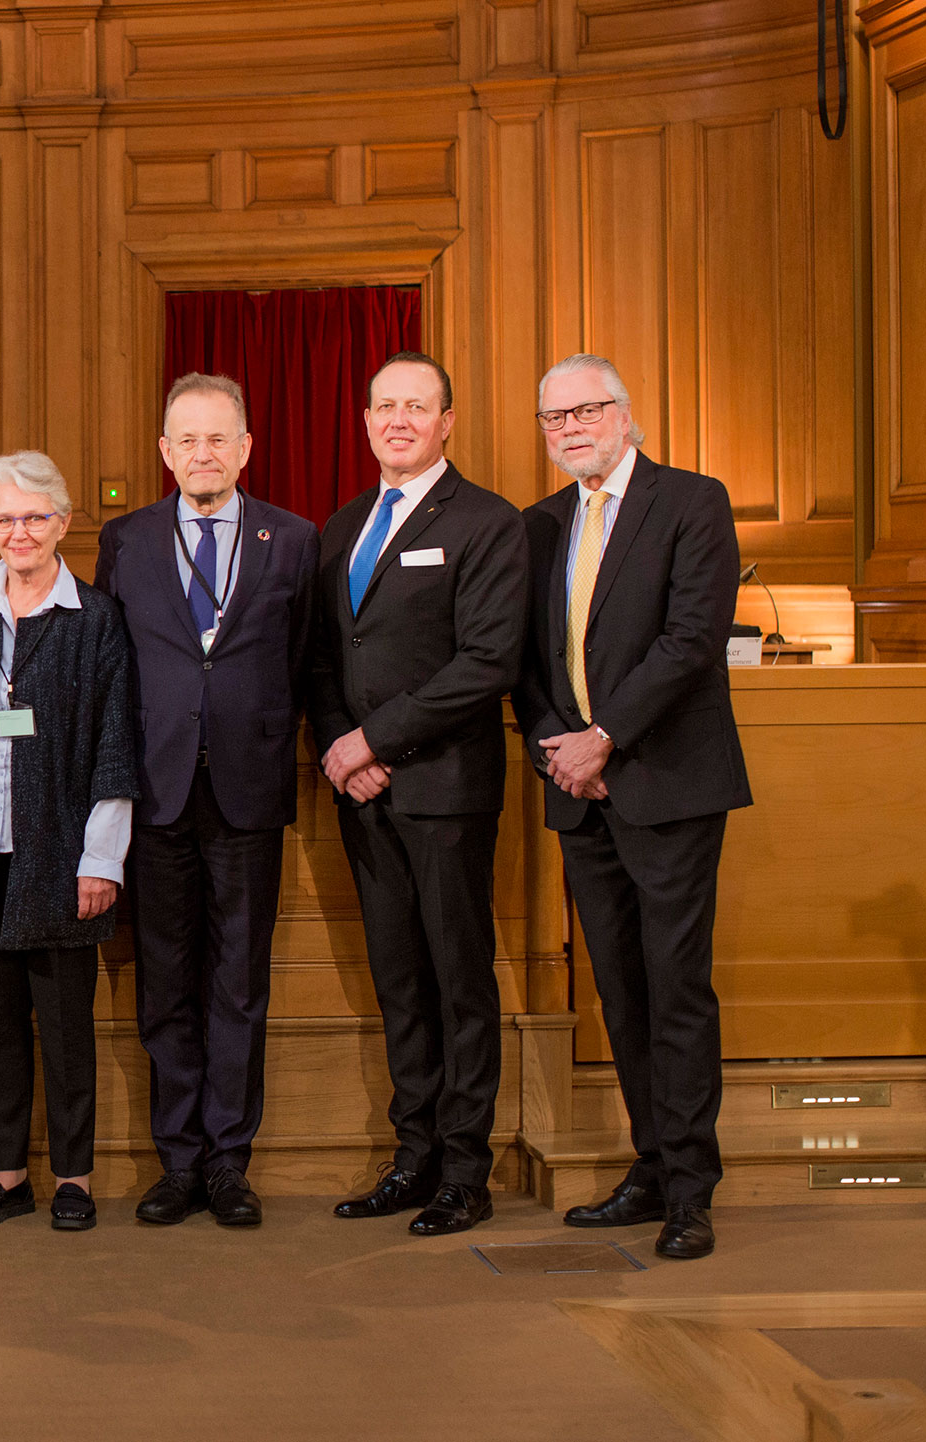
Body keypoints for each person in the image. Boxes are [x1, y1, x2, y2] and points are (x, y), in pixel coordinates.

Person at [512, 352, 750, 1261]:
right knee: (620, 989)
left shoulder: (692, 502)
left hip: (669, 785)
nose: (570, 429)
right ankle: (651, 1167)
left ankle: (692, 1189)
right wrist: (564, 750)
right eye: (554, 418)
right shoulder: (538, 527)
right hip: (581, 792)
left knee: (676, 989)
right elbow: (525, 662)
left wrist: (606, 736)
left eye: (586, 411)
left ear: (625, 413)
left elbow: (693, 640)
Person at [308, 353, 528, 1237]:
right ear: (365, 421)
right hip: (362, 793)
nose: (398, 420)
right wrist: (338, 745)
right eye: (384, 406)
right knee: (400, 980)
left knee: (458, 978)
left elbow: (487, 663)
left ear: (447, 421)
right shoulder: (345, 524)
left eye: (417, 406)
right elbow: (324, 655)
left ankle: (465, 1172)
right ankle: (414, 1157)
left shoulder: (487, 522)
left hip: (445, 789)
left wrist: (376, 739)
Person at [94, 372, 318, 1229]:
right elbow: (111, 666)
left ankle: (230, 1161)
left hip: (249, 789)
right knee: (164, 985)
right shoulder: (128, 540)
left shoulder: (292, 540)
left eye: (218, 437)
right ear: (164, 452)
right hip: (154, 792)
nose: (202, 453)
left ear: (247, 447)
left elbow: (301, 660)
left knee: (239, 982)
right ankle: (176, 1162)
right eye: (186, 439)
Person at [0, 454, 136, 1232]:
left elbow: (115, 744)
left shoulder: (97, 619)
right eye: (5, 519)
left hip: (64, 861)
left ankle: (73, 1178)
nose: (20, 532)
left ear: (63, 523)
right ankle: (6, 1176)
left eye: (35, 517)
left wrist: (101, 860)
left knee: (68, 1032)